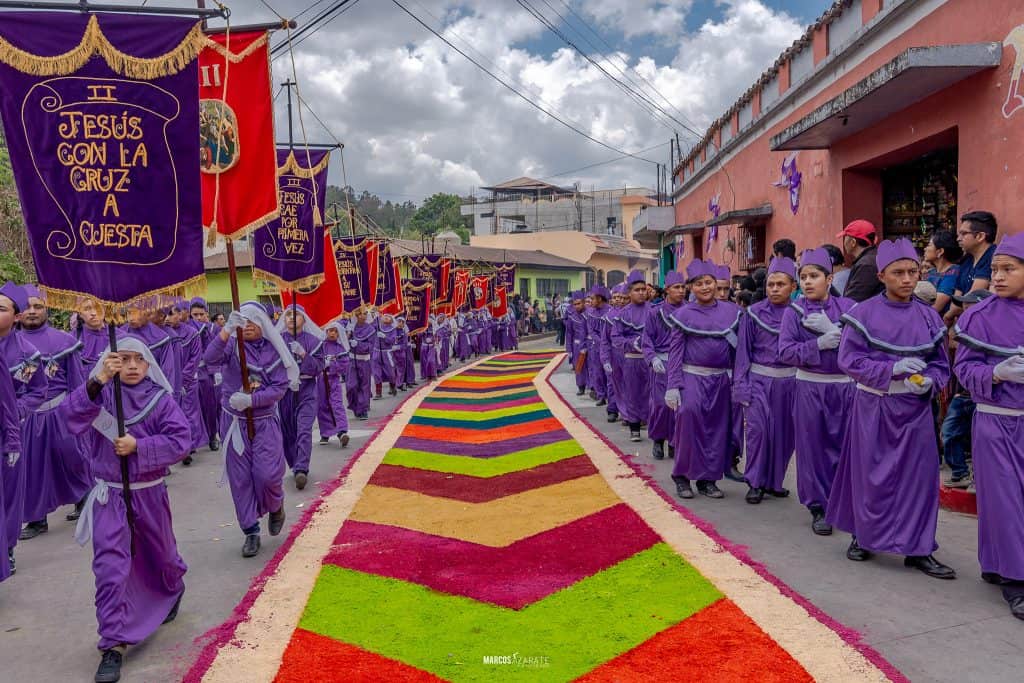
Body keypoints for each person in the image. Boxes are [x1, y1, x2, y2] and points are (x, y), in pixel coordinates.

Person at [64, 338, 190, 683]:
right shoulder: (101, 394)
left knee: (161, 557)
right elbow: (71, 415)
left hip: (149, 494)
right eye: (123, 359)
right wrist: (98, 379)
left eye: (139, 359)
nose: (132, 365)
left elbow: (182, 441)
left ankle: (172, 586)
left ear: (149, 365)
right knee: (110, 567)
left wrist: (140, 446)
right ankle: (113, 644)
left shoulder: (160, 400)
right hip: (110, 496)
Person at [827, 239, 955, 579]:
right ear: (881, 275)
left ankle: (919, 547)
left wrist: (930, 381)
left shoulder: (929, 318)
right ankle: (864, 536)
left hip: (914, 408)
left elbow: (941, 365)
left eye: (913, 271)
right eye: (898, 273)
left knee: (919, 479)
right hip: (874, 405)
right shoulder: (863, 313)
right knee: (872, 474)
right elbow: (848, 359)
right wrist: (891, 370)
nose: (907, 279)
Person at [952, 232, 1024, 620]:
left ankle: (997, 563)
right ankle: (1017, 582)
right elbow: (963, 368)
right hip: (997, 422)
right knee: (1004, 501)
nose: (997, 277)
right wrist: (996, 373)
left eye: (1008, 269)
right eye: (994, 269)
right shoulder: (978, 316)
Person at [203, 301, 296, 558]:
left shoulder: (274, 349)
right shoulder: (232, 345)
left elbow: (279, 387)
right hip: (234, 422)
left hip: (264, 420)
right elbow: (209, 359)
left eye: (255, 321)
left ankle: (275, 506)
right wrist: (225, 331)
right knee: (241, 479)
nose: (250, 326)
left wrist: (252, 400)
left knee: (266, 474)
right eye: (245, 321)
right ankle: (251, 531)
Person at [779, 248, 856, 535]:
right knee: (812, 446)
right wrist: (818, 344)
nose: (808, 282)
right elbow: (786, 352)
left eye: (814, 276)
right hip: (810, 385)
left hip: (845, 387)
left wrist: (837, 331)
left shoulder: (850, 308)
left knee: (843, 443)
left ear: (829, 278)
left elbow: (865, 345)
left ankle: (842, 501)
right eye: (803, 277)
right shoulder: (793, 313)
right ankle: (818, 506)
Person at [18, 285, 91, 538]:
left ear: (46, 309)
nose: (32, 311)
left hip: (61, 410)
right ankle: (37, 519)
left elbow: (77, 380)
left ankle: (83, 499)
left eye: (38, 306)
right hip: (27, 416)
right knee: (32, 467)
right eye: (27, 307)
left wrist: (78, 412)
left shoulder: (64, 341)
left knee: (71, 456)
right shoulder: (10, 345)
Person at [665, 260, 741, 499]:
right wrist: (673, 386)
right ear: (691, 287)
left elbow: (741, 350)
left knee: (717, 429)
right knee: (689, 424)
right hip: (692, 378)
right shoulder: (683, 315)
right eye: (699, 284)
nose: (705, 287)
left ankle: (708, 479)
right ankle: (682, 476)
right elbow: (675, 352)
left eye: (708, 282)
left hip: (720, 380)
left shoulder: (732, 312)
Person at [732, 257, 798, 504]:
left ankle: (774, 482)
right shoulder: (753, 314)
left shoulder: (800, 314)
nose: (774, 289)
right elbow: (743, 353)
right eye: (771, 284)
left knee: (784, 435)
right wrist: (741, 387)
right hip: (759, 380)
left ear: (793, 286)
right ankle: (755, 481)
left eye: (781, 284)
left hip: (790, 383)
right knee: (758, 432)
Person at [0, 282, 45, 576]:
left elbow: (37, 391)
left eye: (1, 309)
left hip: (13, 429)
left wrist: (15, 411)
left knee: (10, 495)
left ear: (15, 316)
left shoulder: (26, 354)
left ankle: (8, 547)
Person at [941, 290, 991, 489]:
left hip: (983, 396)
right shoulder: (963, 326)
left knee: (982, 441)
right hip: (962, 394)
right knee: (950, 432)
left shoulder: (990, 329)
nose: (964, 309)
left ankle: (979, 478)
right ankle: (959, 473)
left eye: (969, 305)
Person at [277, 305, 326, 491]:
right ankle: (295, 463)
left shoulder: (314, 342)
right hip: (285, 391)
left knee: (304, 428)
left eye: (296, 315)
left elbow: (318, 367)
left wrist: (303, 355)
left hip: (307, 389)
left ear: (304, 319)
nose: (291, 317)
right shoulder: (277, 341)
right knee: (288, 430)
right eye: (288, 314)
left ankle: (302, 469)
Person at [643, 271, 685, 460]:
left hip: (683, 364)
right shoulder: (655, 312)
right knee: (660, 405)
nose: (681, 291)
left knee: (679, 406)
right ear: (667, 289)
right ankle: (658, 439)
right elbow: (647, 339)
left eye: (683, 287)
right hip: (661, 364)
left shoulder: (689, 311)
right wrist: (652, 358)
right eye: (677, 287)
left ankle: (675, 442)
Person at [612, 272, 651, 441]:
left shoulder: (654, 310)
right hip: (632, 359)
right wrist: (632, 343)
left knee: (652, 394)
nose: (641, 293)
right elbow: (616, 337)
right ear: (629, 292)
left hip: (651, 359)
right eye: (637, 290)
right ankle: (634, 426)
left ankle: (654, 427)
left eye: (643, 289)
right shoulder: (623, 314)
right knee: (633, 393)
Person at [945, 210, 999, 325]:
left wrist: (949, 316)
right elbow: (957, 296)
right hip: (963, 320)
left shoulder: (993, 257)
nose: (958, 238)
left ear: (980, 236)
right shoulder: (967, 259)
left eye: (964, 234)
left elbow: (972, 298)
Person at [190, 298, 221, 452]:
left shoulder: (211, 328)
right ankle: (193, 440)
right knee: (192, 409)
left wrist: (216, 372)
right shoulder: (187, 329)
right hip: (189, 373)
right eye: (195, 314)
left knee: (209, 406)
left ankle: (212, 436)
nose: (198, 317)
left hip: (206, 372)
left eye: (201, 314)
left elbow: (215, 350)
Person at [318, 321, 350, 448]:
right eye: (330, 330)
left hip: (333, 380)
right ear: (326, 332)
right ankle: (325, 433)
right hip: (320, 380)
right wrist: (321, 364)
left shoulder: (340, 348)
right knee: (322, 406)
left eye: (335, 331)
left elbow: (344, 365)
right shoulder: (320, 346)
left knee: (336, 404)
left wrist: (331, 365)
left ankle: (342, 432)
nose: (332, 333)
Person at [838, 219, 883, 302]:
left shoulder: (866, 265)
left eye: (845, 237)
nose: (844, 242)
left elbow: (852, 301)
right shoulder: (873, 257)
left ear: (853, 242)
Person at [922, 230, 963, 315]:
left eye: (929, 245)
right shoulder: (931, 272)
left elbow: (936, 307)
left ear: (940, 251)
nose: (925, 248)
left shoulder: (953, 272)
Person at [587, 285, 612, 408]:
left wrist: (606, 342)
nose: (590, 301)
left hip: (609, 348)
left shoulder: (610, 311)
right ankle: (601, 395)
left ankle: (612, 398)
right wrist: (601, 342)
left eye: (592, 298)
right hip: (596, 347)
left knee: (609, 373)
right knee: (597, 372)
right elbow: (591, 331)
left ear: (600, 299)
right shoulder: (591, 313)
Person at [347, 309, 374, 420]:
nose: (363, 316)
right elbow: (342, 343)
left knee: (364, 386)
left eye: (364, 313)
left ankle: (363, 410)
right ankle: (355, 406)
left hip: (364, 361)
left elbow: (371, 346)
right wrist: (347, 335)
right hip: (352, 361)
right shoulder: (351, 327)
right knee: (351, 385)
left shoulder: (370, 329)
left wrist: (358, 345)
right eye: (360, 314)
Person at [563, 291, 588, 396]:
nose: (577, 306)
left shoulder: (589, 315)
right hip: (577, 345)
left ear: (584, 303)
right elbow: (569, 334)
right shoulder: (572, 317)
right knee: (579, 366)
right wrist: (569, 349)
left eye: (579, 303)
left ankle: (593, 387)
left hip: (589, 344)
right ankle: (580, 386)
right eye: (575, 304)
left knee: (591, 367)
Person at [372, 312, 398, 400]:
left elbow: (392, 341)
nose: (386, 317)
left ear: (392, 320)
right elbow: (371, 326)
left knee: (390, 372)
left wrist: (384, 337)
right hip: (376, 352)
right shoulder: (378, 326)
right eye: (385, 316)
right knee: (376, 373)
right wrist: (374, 317)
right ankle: (378, 393)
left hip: (387, 353)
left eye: (388, 316)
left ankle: (393, 386)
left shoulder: (392, 329)